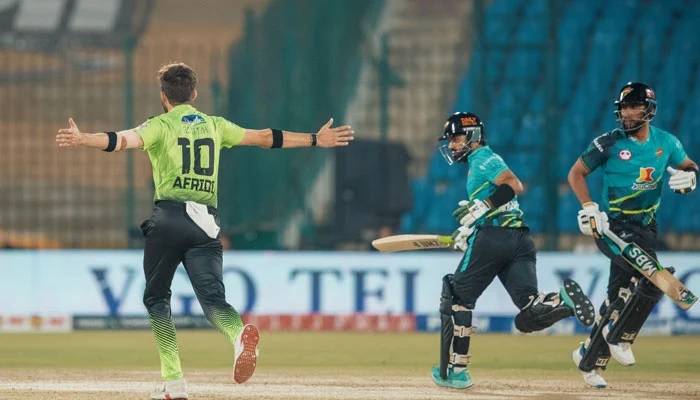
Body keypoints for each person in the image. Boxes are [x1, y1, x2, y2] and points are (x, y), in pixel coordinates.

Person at [55, 62, 354, 400]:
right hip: (205, 224)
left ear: (164, 96)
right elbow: (265, 137)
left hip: (169, 219)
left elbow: (119, 141)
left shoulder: (159, 125)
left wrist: (83, 139)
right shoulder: (215, 125)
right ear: (194, 94)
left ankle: (174, 382)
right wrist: (315, 139)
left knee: (156, 298)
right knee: (213, 299)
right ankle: (238, 335)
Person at [431, 112, 595, 389]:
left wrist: (482, 210)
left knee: (456, 297)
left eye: (456, 138)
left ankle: (456, 371)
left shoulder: (483, 157)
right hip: (520, 240)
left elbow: (514, 185)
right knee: (528, 314)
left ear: (473, 136)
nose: (452, 145)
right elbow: (501, 208)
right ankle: (562, 302)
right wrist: (471, 228)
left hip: (493, 238)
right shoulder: (480, 161)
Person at [567, 82, 697, 388]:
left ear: (648, 109)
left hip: (646, 227)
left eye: (634, 106)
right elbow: (575, 173)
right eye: (624, 107)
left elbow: (688, 164)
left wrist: (691, 176)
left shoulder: (666, 142)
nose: (627, 113)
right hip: (611, 226)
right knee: (655, 278)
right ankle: (621, 336)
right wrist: (589, 207)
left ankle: (588, 359)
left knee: (617, 297)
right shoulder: (608, 143)